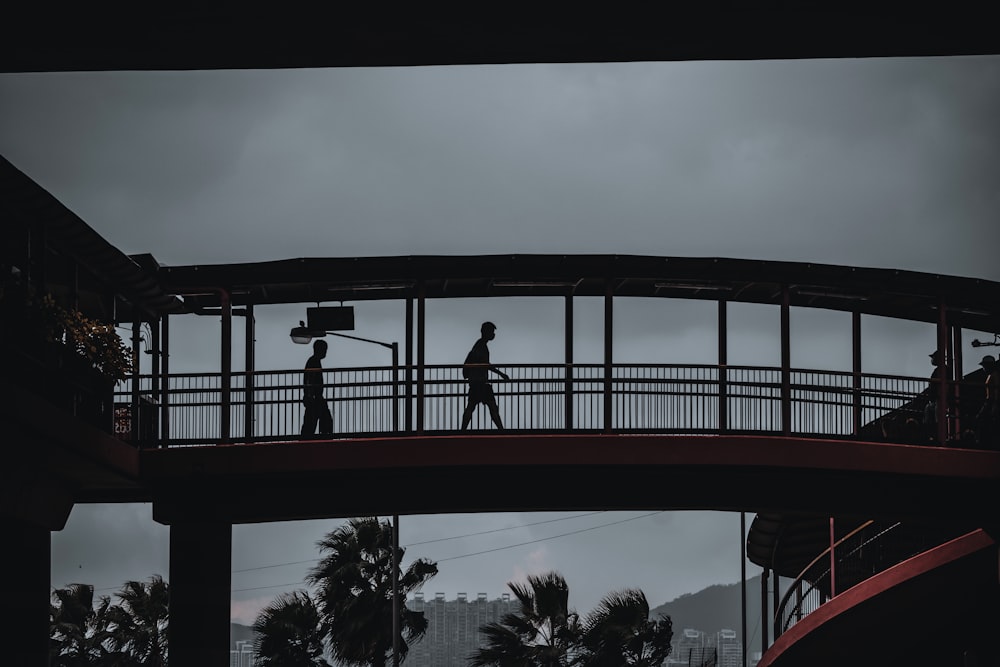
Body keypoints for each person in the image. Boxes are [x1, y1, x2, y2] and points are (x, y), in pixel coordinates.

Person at [460, 321, 509, 430]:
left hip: (477, 383)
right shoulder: (481, 346)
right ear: (485, 332)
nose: (493, 334)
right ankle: (502, 431)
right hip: (480, 383)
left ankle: (462, 430)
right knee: (492, 408)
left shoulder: (479, 345)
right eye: (491, 332)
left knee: (473, 407)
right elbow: (486, 365)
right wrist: (501, 374)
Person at [301, 339, 333, 436]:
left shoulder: (313, 361)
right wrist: (310, 395)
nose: (325, 352)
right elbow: (310, 380)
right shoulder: (314, 362)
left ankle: (308, 440)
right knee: (315, 421)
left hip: (315, 397)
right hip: (315, 398)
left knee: (313, 422)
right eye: (325, 349)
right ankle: (324, 438)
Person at [975, 354, 998, 449]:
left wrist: (994, 406)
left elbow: (995, 394)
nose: (983, 368)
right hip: (993, 403)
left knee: (985, 422)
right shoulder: (993, 375)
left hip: (994, 404)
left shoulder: (994, 376)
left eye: (984, 366)